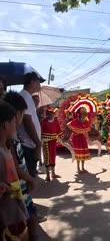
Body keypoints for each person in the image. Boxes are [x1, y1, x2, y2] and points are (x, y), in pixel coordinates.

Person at [3, 91, 39, 240]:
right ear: (16, 114)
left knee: (31, 214)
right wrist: (30, 179)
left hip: (22, 184)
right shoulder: (8, 138)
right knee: (26, 218)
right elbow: (15, 167)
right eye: (22, 114)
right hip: (18, 186)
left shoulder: (13, 134)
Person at [0, 100, 29, 241]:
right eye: (13, 122)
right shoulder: (1, 155)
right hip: (7, 221)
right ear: (6, 125)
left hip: (15, 214)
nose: (16, 124)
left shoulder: (5, 150)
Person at [17, 72, 44, 178]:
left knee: (31, 175)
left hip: (29, 144)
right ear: (32, 82)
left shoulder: (28, 96)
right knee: (29, 177)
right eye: (38, 82)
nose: (40, 85)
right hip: (27, 145)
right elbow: (27, 121)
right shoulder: (25, 96)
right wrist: (38, 143)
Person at [40, 107, 62, 181]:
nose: (50, 115)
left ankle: (53, 173)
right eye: (48, 113)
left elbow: (59, 130)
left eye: (51, 113)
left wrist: (62, 139)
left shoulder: (55, 121)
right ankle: (47, 175)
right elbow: (41, 132)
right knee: (47, 158)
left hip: (53, 142)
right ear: (47, 114)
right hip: (46, 142)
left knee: (53, 157)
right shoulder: (43, 121)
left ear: (53, 114)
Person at [67, 107, 92, 174]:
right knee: (78, 153)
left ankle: (83, 168)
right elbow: (68, 125)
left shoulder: (86, 122)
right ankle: (78, 168)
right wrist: (75, 130)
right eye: (83, 112)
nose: (84, 114)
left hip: (82, 138)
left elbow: (86, 132)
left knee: (83, 152)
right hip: (76, 138)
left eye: (85, 112)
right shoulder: (76, 121)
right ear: (80, 114)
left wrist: (88, 139)